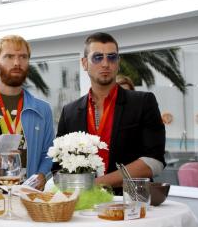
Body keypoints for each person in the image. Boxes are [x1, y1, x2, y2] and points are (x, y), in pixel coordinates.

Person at [53, 32, 165, 192]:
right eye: (97, 57)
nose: (105, 64)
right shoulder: (69, 112)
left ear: (118, 62)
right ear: (84, 63)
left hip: (131, 204)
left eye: (111, 57)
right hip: (83, 206)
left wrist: (95, 184)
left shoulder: (143, 102)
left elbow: (154, 162)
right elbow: (58, 167)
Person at [0, 35, 54, 190]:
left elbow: (49, 152)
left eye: (23, 57)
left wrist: (42, 174)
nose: (17, 63)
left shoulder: (43, 110)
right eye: (9, 56)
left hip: (27, 194)